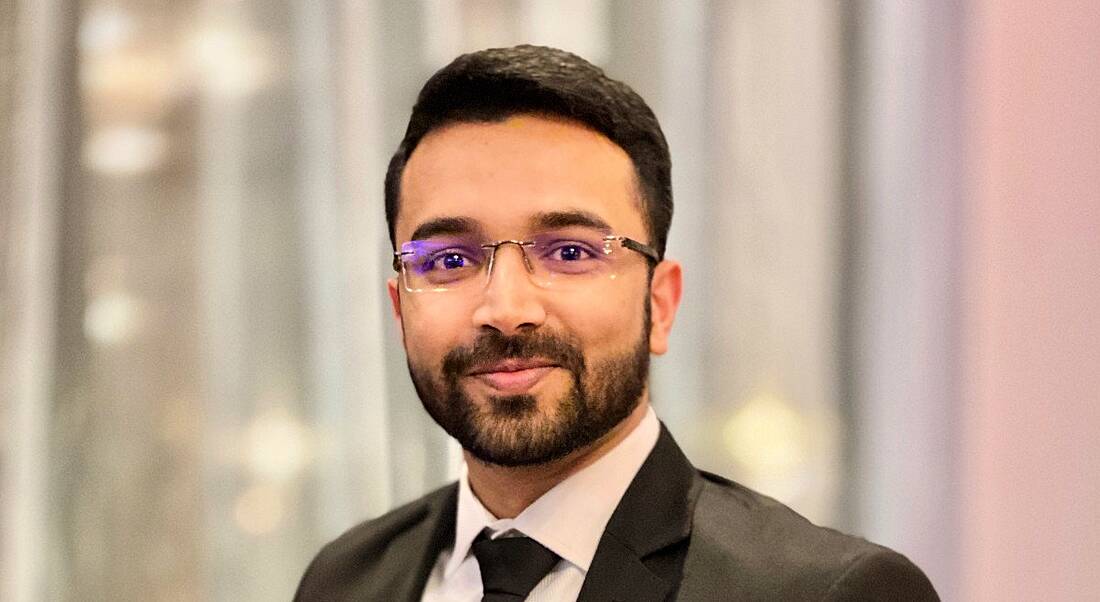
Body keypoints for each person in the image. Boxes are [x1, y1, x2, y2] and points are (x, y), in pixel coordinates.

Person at [294, 44, 938, 601]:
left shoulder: (823, 596)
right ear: (401, 307)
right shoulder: (346, 581)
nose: (507, 310)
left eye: (569, 253)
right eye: (451, 260)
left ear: (659, 303)